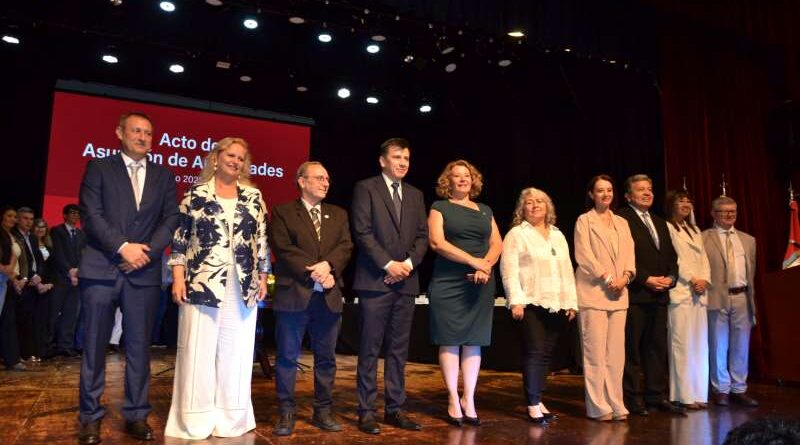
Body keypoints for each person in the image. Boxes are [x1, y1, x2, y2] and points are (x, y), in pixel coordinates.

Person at [77, 112, 179, 445]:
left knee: (138, 349)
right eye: (136, 130)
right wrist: (123, 247)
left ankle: (136, 414)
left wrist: (147, 252)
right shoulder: (99, 167)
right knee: (94, 347)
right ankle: (90, 417)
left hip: (144, 272)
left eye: (148, 133)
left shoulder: (164, 176)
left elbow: (171, 218)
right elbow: (91, 215)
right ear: (120, 132)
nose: (142, 137)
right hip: (101, 269)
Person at [165, 137, 270, 439]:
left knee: (236, 353)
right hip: (201, 283)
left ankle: (231, 419)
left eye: (241, 158)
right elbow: (180, 241)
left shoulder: (254, 197)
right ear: (216, 157)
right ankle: (194, 420)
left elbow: (262, 240)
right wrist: (178, 277)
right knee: (197, 352)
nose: (236, 161)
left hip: (243, 286)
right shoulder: (195, 194)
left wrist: (263, 276)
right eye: (231, 155)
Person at [268, 161, 353, 436]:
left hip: (328, 296)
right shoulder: (283, 212)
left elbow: (345, 246)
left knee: (326, 359)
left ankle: (323, 410)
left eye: (327, 178)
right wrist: (316, 271)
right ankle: (286, 411)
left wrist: (329, 266)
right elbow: (283, 248)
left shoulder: (338, 214)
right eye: (319, 178)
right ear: (302, 181)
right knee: (287, 357)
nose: (325, 183)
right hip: (294, 295)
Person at [351, 138, 429, 434]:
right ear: (383, 160)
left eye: (406, 158)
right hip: (375, 282)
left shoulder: (416, 194)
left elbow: (422, 236)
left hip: (405, 282)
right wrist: (388, 265)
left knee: (398, 351)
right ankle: (366, 412)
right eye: (397, 157)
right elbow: (363, 232)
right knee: (370, 350)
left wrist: (406, 266)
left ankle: (395, 409)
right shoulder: (366, 188)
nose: (403, 162)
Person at [427, 159, 502, 426]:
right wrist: (474, 262)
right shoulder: (439, 207)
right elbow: (437, 242)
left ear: (473, 180)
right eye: (457, 176)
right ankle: (452, 397)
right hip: (449, 281)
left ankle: (469, 398)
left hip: (481, 282)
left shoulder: (485, 210)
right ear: (448, 181)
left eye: (467, 175)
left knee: (474, 340)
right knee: (450, 339)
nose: (462, 179)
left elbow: (497, 243)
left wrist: (486, 266)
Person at [500, 187, 578, 423]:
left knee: (546, 354)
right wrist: (515, 300)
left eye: (539, 202)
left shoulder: (557, 235)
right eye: (529, 202)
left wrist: (571, 302)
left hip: (556, 302)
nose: (534, 206)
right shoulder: (516, 234)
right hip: (530, 301)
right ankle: (532, 402)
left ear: (548, 207)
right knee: (534, 351)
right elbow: (509, 270)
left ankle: (538, 398)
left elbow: (567, 270)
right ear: (522, 209)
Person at [616, 174, 684, 416]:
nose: (647, 193)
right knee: (632, 350)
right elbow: (623, 256)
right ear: (628, 196)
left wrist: (671, 277)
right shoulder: (621, 219)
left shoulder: (659, 222)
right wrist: (645, 278)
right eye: (641, 189)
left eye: (650, 189)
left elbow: (671, 257)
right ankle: (633, 398)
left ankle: (656, 396)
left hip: (659, 295)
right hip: (636, 294)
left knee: (656, 348)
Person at [573, 175, 635, 421]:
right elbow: (584, 256)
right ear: (592, 194)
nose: (606, 194)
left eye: (609, 190)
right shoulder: (584, 220)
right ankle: (598, 405)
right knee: (595, 354)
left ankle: (616, 402)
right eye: (600, 190)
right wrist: (609, 279)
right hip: (594, 292)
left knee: (616, 355)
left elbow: (630, 254)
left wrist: (625, 278)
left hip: (619, 294)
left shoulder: (622, 222)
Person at [702, 195, 758, 407]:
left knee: (741, 346)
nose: (729, 215)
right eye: (724, 211)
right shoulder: (703, 238)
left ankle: (739, 389)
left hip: (742, 297)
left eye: (733, 211)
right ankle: (721, 389)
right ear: (713, 214)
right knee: (718, 345)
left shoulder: (748, 240)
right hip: (717, 297)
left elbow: (751, 273)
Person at [664, 190, 711, 409]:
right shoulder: (668, 228)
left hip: (699, 293)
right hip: (682, 291)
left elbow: (704, 258)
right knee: (681, 345)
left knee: (699, 345)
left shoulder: (695, 229)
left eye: (688, 200)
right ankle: (683, 395)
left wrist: (704, 280)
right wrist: (693, 279)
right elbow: (675, 260)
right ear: (671, 204)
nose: (686, 204)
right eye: (680, 200)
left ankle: (699, 393)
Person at [46, 204, 86, 358]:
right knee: (53, 313)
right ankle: (48, 346)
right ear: (65, 215)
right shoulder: (57, 231)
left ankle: (66, 345)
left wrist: (78, 271)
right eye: (72, 213)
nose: (76, 216)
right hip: (60, 278)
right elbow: (58, 254)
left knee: (71, 314)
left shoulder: (81, 234)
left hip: (76, 280)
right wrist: (69, 270)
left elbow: (83, 255)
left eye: (78, 214)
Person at [12, 207, 47, 363]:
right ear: (18, 219)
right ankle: (16, 353)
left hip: (32, 283)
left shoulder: (32, 237)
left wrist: (38, 276)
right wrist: (29, 276)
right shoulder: (14, 236)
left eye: (31, 219)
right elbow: (20, 261)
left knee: (29, 319)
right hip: (19, 281)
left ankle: (27, 353)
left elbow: (36, 260)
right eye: (25, 218)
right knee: (18, 319)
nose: (28, 222)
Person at [0, 205, 24, 371]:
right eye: (9, 216)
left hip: (6, 281)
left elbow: (13, 261)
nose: (13, 219)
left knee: (7, 320)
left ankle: (10, 358)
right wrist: (6, 271)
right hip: (3, 278)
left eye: (15, 217)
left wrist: (14, 278)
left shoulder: (11, 236)